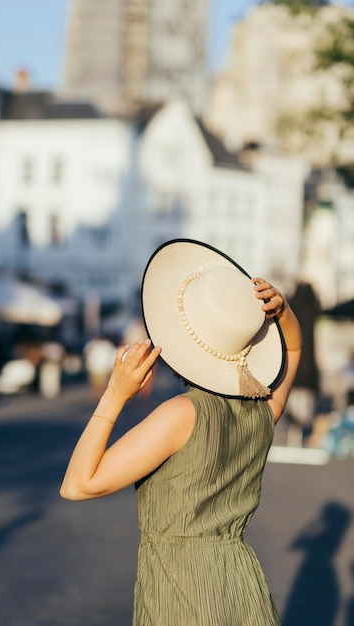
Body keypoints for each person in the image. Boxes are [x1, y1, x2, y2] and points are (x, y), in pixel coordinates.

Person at [60, 239, 302, 626]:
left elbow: (78, 485)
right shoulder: (263, 413)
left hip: (182, 590)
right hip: (243, 586)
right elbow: (293, 352)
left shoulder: (180, 414)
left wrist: (115, 394)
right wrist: (285, 313)